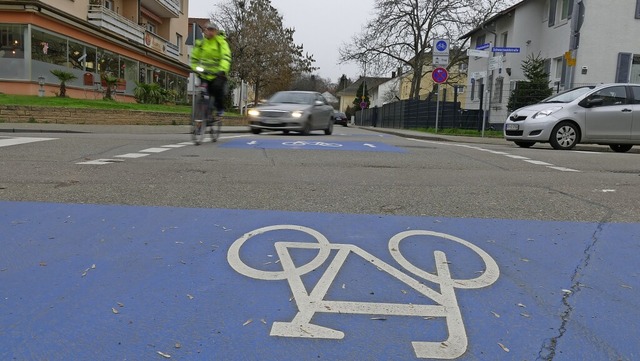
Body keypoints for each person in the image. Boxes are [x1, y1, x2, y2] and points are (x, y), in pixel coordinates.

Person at [190, 21, 232, 122]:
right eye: (208, 30)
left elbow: (225, 57)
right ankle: (201, 116)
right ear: (204, 31)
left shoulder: (221, 42)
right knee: (203, 92)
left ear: (216, 32)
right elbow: (194, 58)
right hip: (204, 73)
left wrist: (222, 70)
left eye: (212, 30)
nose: (209, 32)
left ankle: (219, 110)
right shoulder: (201, 43)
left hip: (217, 74)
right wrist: (195, 68)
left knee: (217, 90)